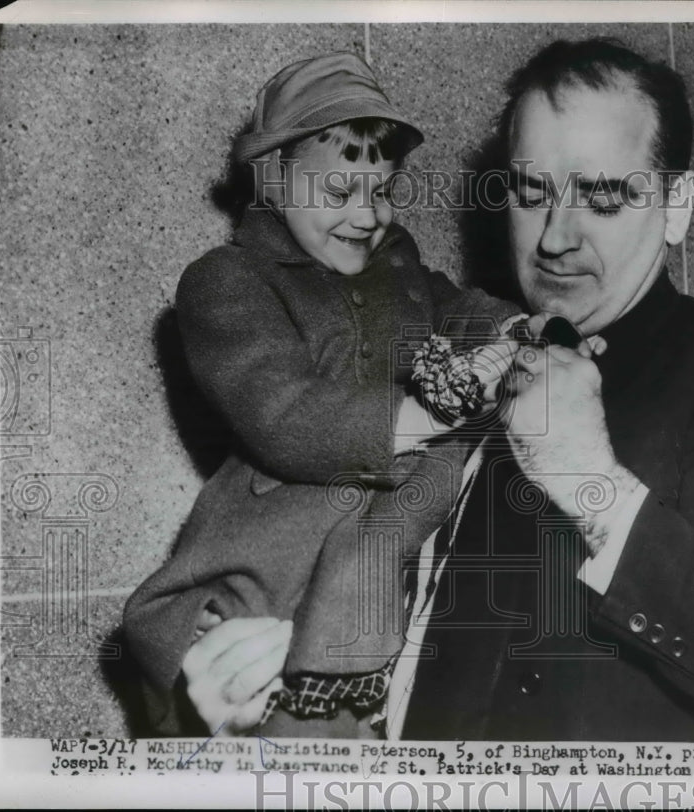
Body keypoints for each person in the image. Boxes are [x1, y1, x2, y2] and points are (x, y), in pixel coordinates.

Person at [387, 38, 694, 742]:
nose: (554, 239)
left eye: (602, 196)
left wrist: (592, 485)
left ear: (677, 206)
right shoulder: (475, 364)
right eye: (531, 193)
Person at [121, 53, 521, 738]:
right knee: (275, 702)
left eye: (384, 189)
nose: (369, 215)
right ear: (274, 179)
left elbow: (458, 307)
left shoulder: (401, 265)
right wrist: (421, 417)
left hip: (390, 540)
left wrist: (520, 327)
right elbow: (282, 415)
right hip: (282, 541)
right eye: (341, 193)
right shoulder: (227, 279)